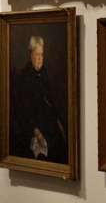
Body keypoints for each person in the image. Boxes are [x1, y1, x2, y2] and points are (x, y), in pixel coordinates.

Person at [13, 35, 66, 163]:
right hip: (32, 128)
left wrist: (58, 123)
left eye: (42, 55)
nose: (40, 58)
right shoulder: (24, 76)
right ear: (31, 54)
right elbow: (23, 110)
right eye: (37, 54)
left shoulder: (44, 73)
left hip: (48, 124)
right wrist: (36, 132)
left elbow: (50, 101)